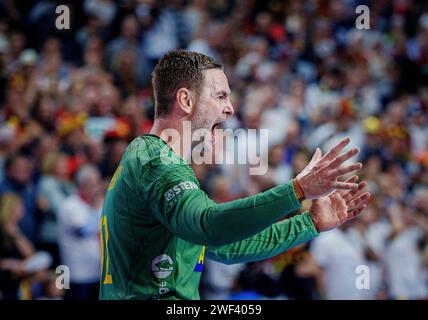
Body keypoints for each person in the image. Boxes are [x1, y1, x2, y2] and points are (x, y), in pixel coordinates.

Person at [99, 49, 370, 300]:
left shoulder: (156, 162)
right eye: (220, 96)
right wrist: (296, 190)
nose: (230, 108)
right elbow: (211, 225)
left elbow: (230, 245)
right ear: (185, 100)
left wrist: (308, 223)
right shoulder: (155, 160)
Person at [58, 165, 103, 300]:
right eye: (91, 185)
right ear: (81, 185)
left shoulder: (99, 204)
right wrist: (95, 209)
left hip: (98, 270)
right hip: (76, 273)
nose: (95, 189)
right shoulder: (70, 205)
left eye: (97, 184)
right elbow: (83, 231)